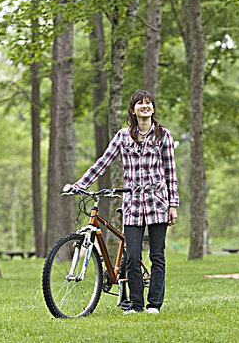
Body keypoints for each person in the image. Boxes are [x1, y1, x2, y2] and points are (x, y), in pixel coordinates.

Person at [63, 89, 179, 315]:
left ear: (153, 109)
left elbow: (170, 172)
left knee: (157, 255)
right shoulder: (123, 136)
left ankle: (154, 304)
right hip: (133, 204)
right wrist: (79, 186)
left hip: (158, 202)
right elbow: (103, 162)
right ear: (133, 110)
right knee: (133, 256)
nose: (144, 107)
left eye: (148, 103)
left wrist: (173, 204)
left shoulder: (163, 135)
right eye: (140, 104)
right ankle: (135, 305)